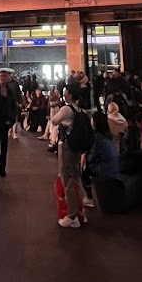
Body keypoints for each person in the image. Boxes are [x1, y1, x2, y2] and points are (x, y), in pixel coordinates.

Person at [51, 86, 91, 228]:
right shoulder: (81, 110)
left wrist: (56, 107)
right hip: (77, 148)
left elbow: (54, 121)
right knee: (75, 178)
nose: (64, 94)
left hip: (67, 146)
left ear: (70, 95)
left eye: (65, 93)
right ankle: (80, 212)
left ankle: (72, 215)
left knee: (67, 179)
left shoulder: (66, 109)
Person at [87, 111, 121, 182]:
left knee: (85, 165)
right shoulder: (108, 134)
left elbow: (92, 157)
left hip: (104, 168)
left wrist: (85, 157)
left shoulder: (98, 137)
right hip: (114, 166)